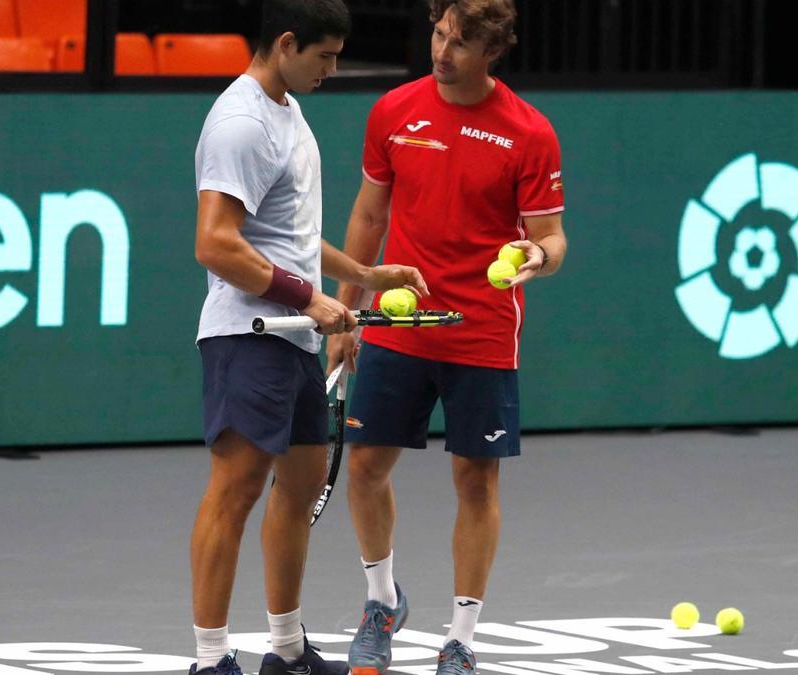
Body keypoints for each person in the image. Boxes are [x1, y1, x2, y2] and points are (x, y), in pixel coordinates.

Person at [326, 1, 567, 674]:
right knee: (367, 466)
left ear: (492, 52)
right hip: (400, 322)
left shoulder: (529, 133)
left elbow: (552, 238)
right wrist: (348, 312)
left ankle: (461, 636)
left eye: (460, 42)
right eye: (439, 34)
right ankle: (382, 602)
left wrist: (535, 258)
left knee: (475, 481)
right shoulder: (394, 111)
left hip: (481, 332)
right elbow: (370, 214)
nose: (443, 51)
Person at [189, 1, 428, 674]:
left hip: (291, 336)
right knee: (234, 490)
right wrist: (309, 298)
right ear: (287, 43)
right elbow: (215, 243)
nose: (333, 69)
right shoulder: (240, 122)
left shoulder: (287, 112)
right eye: (324, 56)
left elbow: (287, 234)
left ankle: (287, 650)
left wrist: (362, 273)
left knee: (295, 491)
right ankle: (209, 660)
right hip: (249, 333)